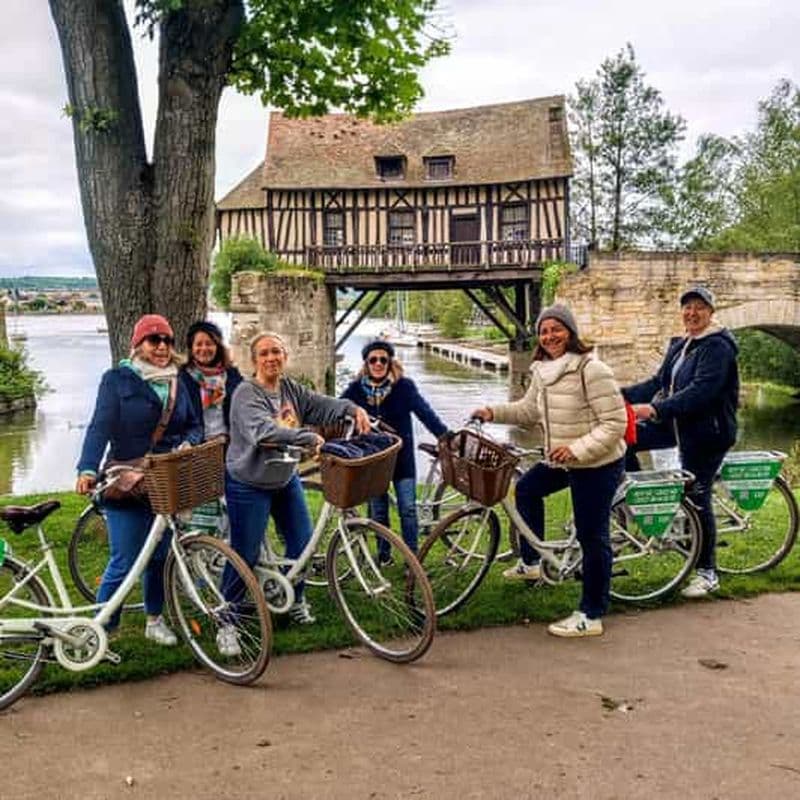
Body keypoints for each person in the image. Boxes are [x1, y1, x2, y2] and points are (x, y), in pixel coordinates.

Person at [472, 304, 627, 638]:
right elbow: (528, 410)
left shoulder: (592, 368)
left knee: (591, 534)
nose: (550, 335)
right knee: (527, 489)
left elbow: (616, 423)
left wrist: (575, 449)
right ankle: (531, 563)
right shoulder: (543, 370)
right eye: (544, 331)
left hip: (598, 462)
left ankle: (592, 614)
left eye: (556, 329)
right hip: (563, 458)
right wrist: (491, 412)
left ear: (570, 332)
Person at [222, 331, 370, 633]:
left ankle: (295, 600)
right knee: (245, 554)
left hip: (284, 477)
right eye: (264, 353)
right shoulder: (246, 393)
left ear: (285, 357)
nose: (271, 358)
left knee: (303, 544)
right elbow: (262, 433)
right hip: (249, 482)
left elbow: (320, 404)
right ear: (254, 361)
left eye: (276, 352)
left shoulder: (290, 389)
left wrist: (351, 408)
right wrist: (308, 437)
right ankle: (228, 618)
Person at [76, 314, 203, 643]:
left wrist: (190, 442)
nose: (162, 347)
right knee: (125, 559)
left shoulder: (179, 381)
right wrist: (87, 468)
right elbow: (99, 426)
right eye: (154, 340)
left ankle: (154, 619)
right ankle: (102, 628)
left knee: (160, 557)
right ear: (138, 344)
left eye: (167, 341)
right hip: (127, 481)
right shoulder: (117, 379)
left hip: (165, 477)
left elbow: (194, 423)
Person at [623, 286, 739, 599]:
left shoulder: (718, 347)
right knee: (624, 442)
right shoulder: (682, 345)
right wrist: (616, 395)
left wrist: (655, 408)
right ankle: (635, 511)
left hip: (707, 432)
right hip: (675, 426)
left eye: (700, 307)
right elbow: (657, 383)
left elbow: (701, 391)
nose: (692, 313)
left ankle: (707, 571)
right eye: (687, 307)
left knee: (696, 494)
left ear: (711, 313)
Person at [342, 339, 449, 561]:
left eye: (383, 359)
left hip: (402, 459)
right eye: (373, 359)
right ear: (366, 363)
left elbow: (425, 412)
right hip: (373, 460)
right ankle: (384, 555)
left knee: (408, 509)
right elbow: (336, 409)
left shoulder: (404, 387)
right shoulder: (355, 390)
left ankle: (413, 557)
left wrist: (444, 435)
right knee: (378, 511)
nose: (378, 363)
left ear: (390, 362)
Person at [179, 320, 243, 440]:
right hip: (196, 445)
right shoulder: (182, 377)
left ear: (217, 346)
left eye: (209, 344)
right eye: (199, 344)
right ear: (191, 348)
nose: (204, 348)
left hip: (229, 443)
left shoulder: (232, 375)